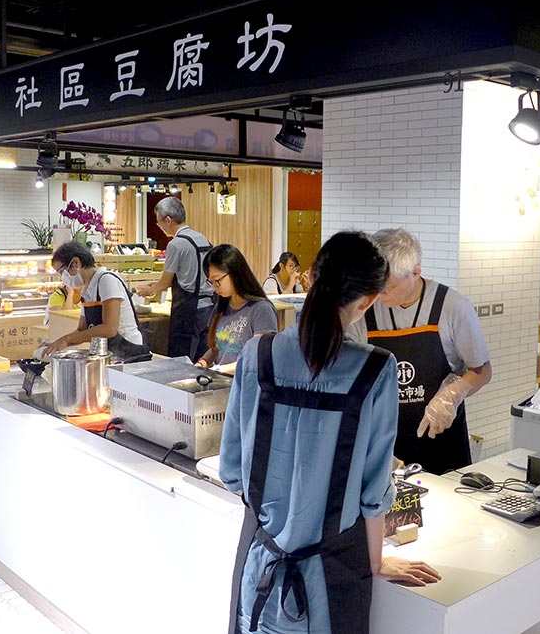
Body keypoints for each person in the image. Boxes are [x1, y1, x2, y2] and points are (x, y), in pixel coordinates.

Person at [221, 231, 440, 634]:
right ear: (368, 301)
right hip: (331, 583)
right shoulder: (375, 369)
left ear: (310, 275)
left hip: (259, 570)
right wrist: (377, 563)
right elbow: (374, 493)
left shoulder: (256, 354)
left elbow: (233, 471)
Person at [347, 228, 492, 476]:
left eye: (388, 287)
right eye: (374, 286)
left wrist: (451, 395)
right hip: (385, 443)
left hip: (442, 440)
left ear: (415, 272)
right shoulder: (364, 310)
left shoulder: (453, 307)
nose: (379, 294)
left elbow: (482, 371)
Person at [42, 242, 150, 362]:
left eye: (62, 272)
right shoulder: (86, 291)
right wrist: (58, 343)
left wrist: (66, 339)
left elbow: (109, 329)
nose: (63, 278)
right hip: (110, 353)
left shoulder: (106, 280)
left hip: (131, 353)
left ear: (76, 263)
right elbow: (82, 330)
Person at [135, 198, 215, 360]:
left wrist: (147, 290)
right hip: (209, 308)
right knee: (203, 358)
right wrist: (156, 285)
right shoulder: (202, 238)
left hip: (188, 312)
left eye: (158, 222)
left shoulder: (176, 244)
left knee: (182, 359)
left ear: (168, 220)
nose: (159, 226)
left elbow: (165, 282)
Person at [194, 244, 278, 375]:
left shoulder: (261, 309)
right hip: (221, 381)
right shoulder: (221, 307)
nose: (214, 287)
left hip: (246, 383)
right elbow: (218, 349)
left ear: (234, 273)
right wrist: (202, 363)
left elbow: (259, 357)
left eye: (217, 280)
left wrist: (219, 369)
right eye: (211, 282)